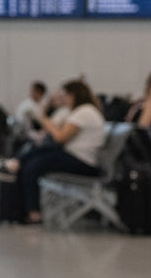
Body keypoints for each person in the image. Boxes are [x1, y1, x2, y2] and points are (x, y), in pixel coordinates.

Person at [8, 79, 106, 224]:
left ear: (73, 95)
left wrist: (43, 118)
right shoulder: (81, 111)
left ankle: (33, 213)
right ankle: (23, 205)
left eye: (65, 95)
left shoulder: (84, 112)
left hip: (83, 162)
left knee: (33, 166)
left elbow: (60, 137)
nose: (63, 99)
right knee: (36, 155)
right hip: (75, 157)